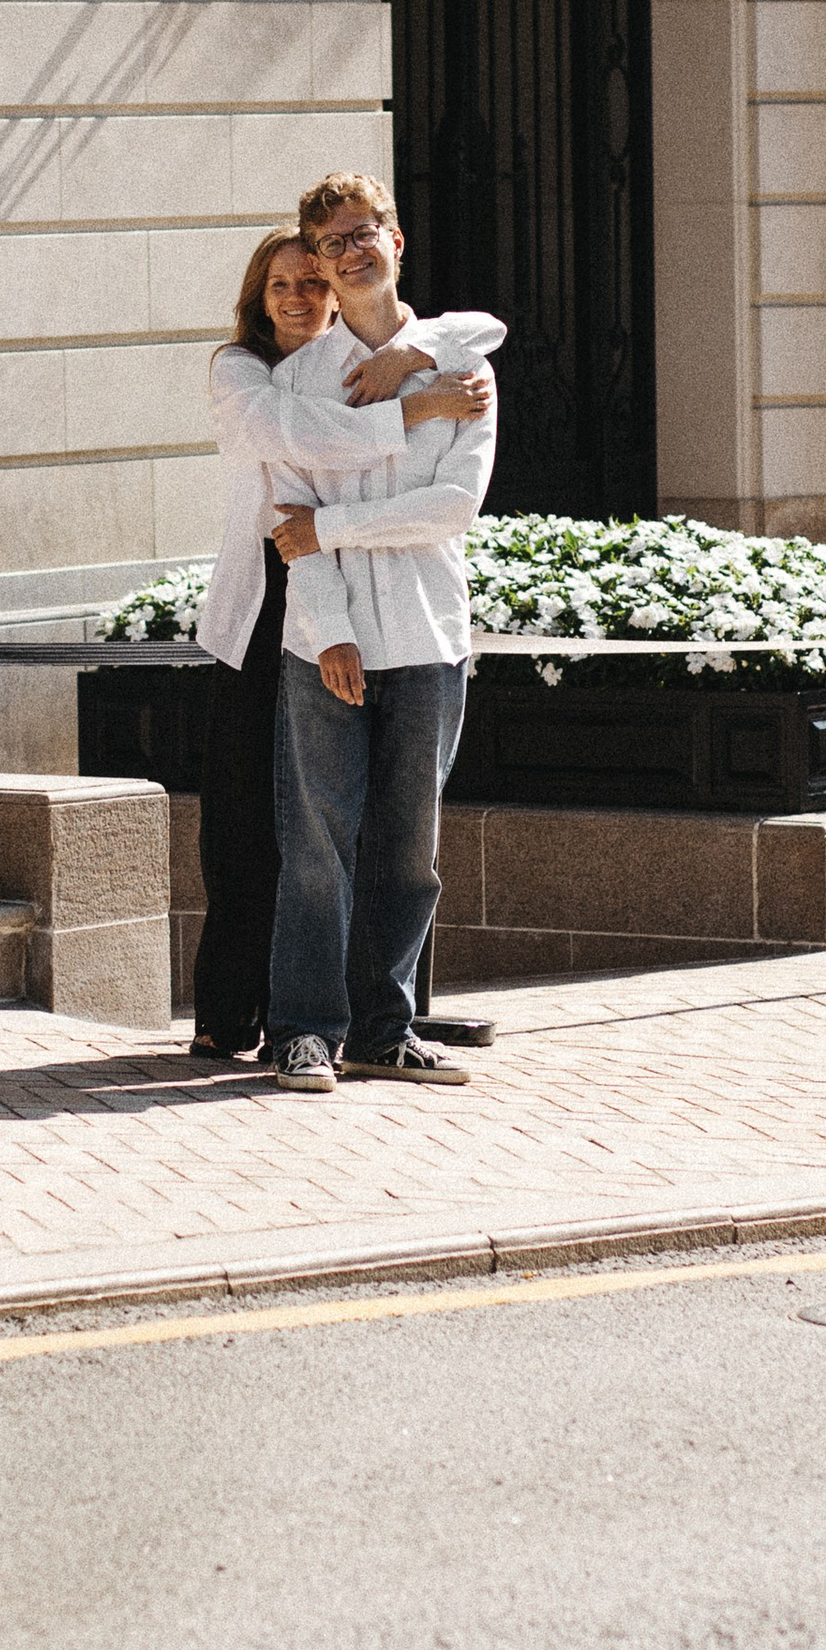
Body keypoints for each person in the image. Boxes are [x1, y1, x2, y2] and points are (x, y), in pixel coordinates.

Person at [191, 229, 502, 1060]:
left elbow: (485, 329)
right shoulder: (246, 371)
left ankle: (381, 1019)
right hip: (271, 601)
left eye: (312, 281)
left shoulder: (396, 362)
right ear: (259, 299)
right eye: (280, 285)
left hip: (363, 586)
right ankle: (243, 1013)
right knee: (261, 824)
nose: (298, 297)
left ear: (336, 285)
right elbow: (305, 441)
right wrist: (418, 406)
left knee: (394, 836)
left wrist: (412, 355)